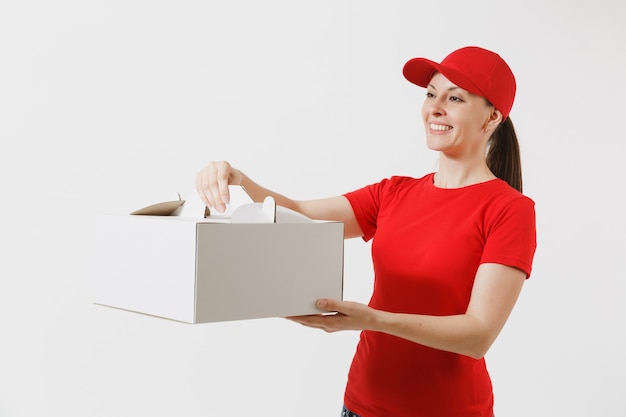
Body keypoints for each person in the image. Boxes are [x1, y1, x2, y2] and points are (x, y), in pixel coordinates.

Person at [195, 46, 537, 417]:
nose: (435, 107)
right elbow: (297, 215)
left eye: (454, 98)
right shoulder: (392, 193)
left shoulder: (510, 210)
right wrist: (239, 178)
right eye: (430, 94)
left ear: (492, 118)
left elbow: (478, 335)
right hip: (361, 405)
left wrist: (373, 320)